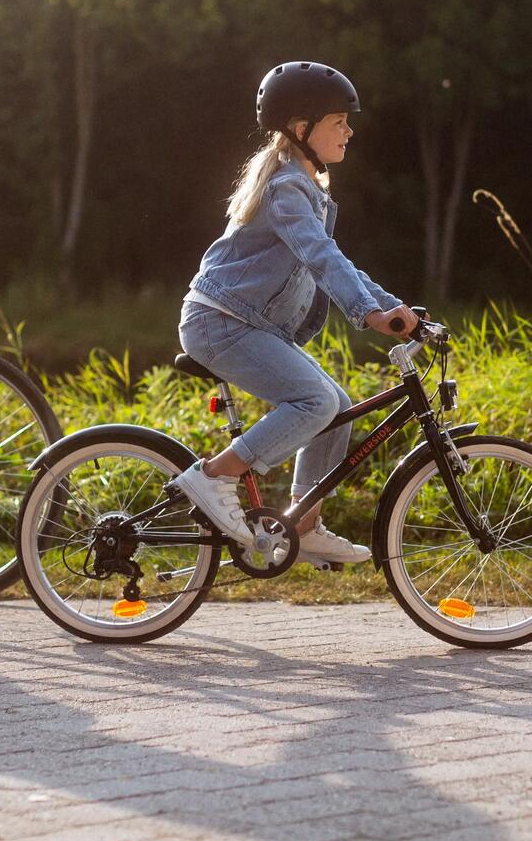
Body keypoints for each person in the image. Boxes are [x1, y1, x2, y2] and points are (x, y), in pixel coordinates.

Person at [171, 61, 418, 565]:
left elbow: (334, 259)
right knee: (314, 401)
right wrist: (369, 314)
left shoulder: (307, 190)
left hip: (242, 323)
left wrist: (390, 307)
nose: (349, 130)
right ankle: (217, 474)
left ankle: (302, 523)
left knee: (336, 406)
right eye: (338, 121)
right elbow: (318, 257)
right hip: (220, 322)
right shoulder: (287, 188)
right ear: (302, 129)